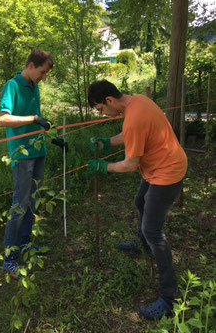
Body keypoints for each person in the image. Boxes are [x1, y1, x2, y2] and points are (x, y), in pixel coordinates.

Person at [87, 79, 187, 320]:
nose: (103, 113)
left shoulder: (133, 117)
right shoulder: (137, 102)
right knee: (140, 201)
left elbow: (130, 164)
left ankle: (168, 298)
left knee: (153, 230)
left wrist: (104, 167)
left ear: (109, 100)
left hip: (167, 173)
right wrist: (108, 141)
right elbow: (130, 133)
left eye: (101, 109)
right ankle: (143, 245)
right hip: (161, 166)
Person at [0, 49, 54, 279]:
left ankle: (25, 244)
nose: (43, 77)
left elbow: (35, 119)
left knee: (33, 201)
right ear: (31, 65)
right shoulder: (12, 85)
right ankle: (9, 259)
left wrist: (44, 128)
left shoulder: (35, 86)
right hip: (22, 155)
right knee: (19, 204)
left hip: (38, 149)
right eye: (41, 72)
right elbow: (2, 119)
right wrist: (33, 119)